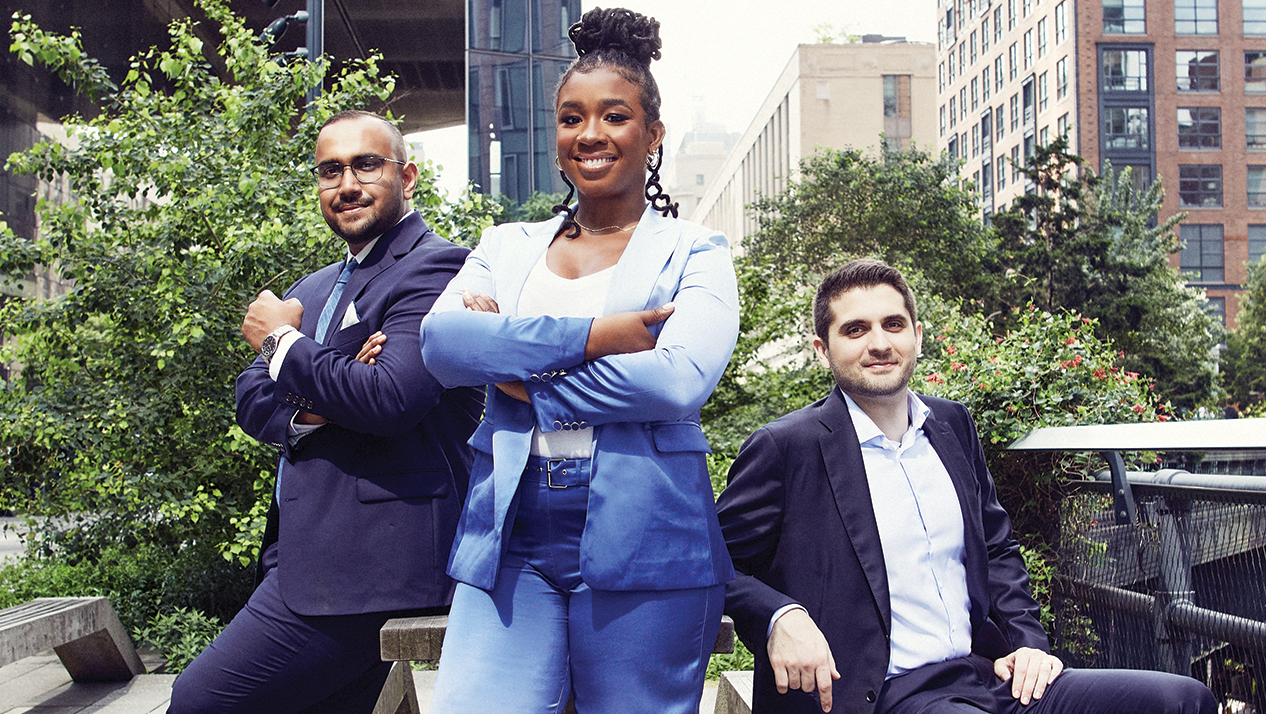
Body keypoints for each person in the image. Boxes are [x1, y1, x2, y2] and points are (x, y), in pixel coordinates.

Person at [715, 259, 1219, 714]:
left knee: (1182, 699)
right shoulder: (786, 447)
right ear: (823, 350)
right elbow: (712, 562)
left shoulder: (952, 425)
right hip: (881, 693)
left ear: (916, 333)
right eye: (856, 329)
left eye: (893, 324)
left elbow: (998, 548)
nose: (880, 343)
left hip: (986, 673)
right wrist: (781, 615)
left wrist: (1028, 644)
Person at [418, 7, 738, 713]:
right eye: (570, 118)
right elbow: (441, 346)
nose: (589, 134)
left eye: (614, 116)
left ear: (652, 135)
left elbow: (678, 381)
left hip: (650, 532)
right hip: (509, 529)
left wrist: (511, 364)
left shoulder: (698, 253)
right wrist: (600, 335)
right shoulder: (506, 245)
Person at [168, 110, 482, 714]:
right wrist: (326, 398)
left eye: (367, 164)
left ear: (407, 176)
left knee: (199, 701)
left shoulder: (438, 268)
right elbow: (253, 399)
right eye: (330, 170)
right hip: (310, 554)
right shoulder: (312, 289)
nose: (347, 184)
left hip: (377, 566)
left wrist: (281, 345)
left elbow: (391, 398)